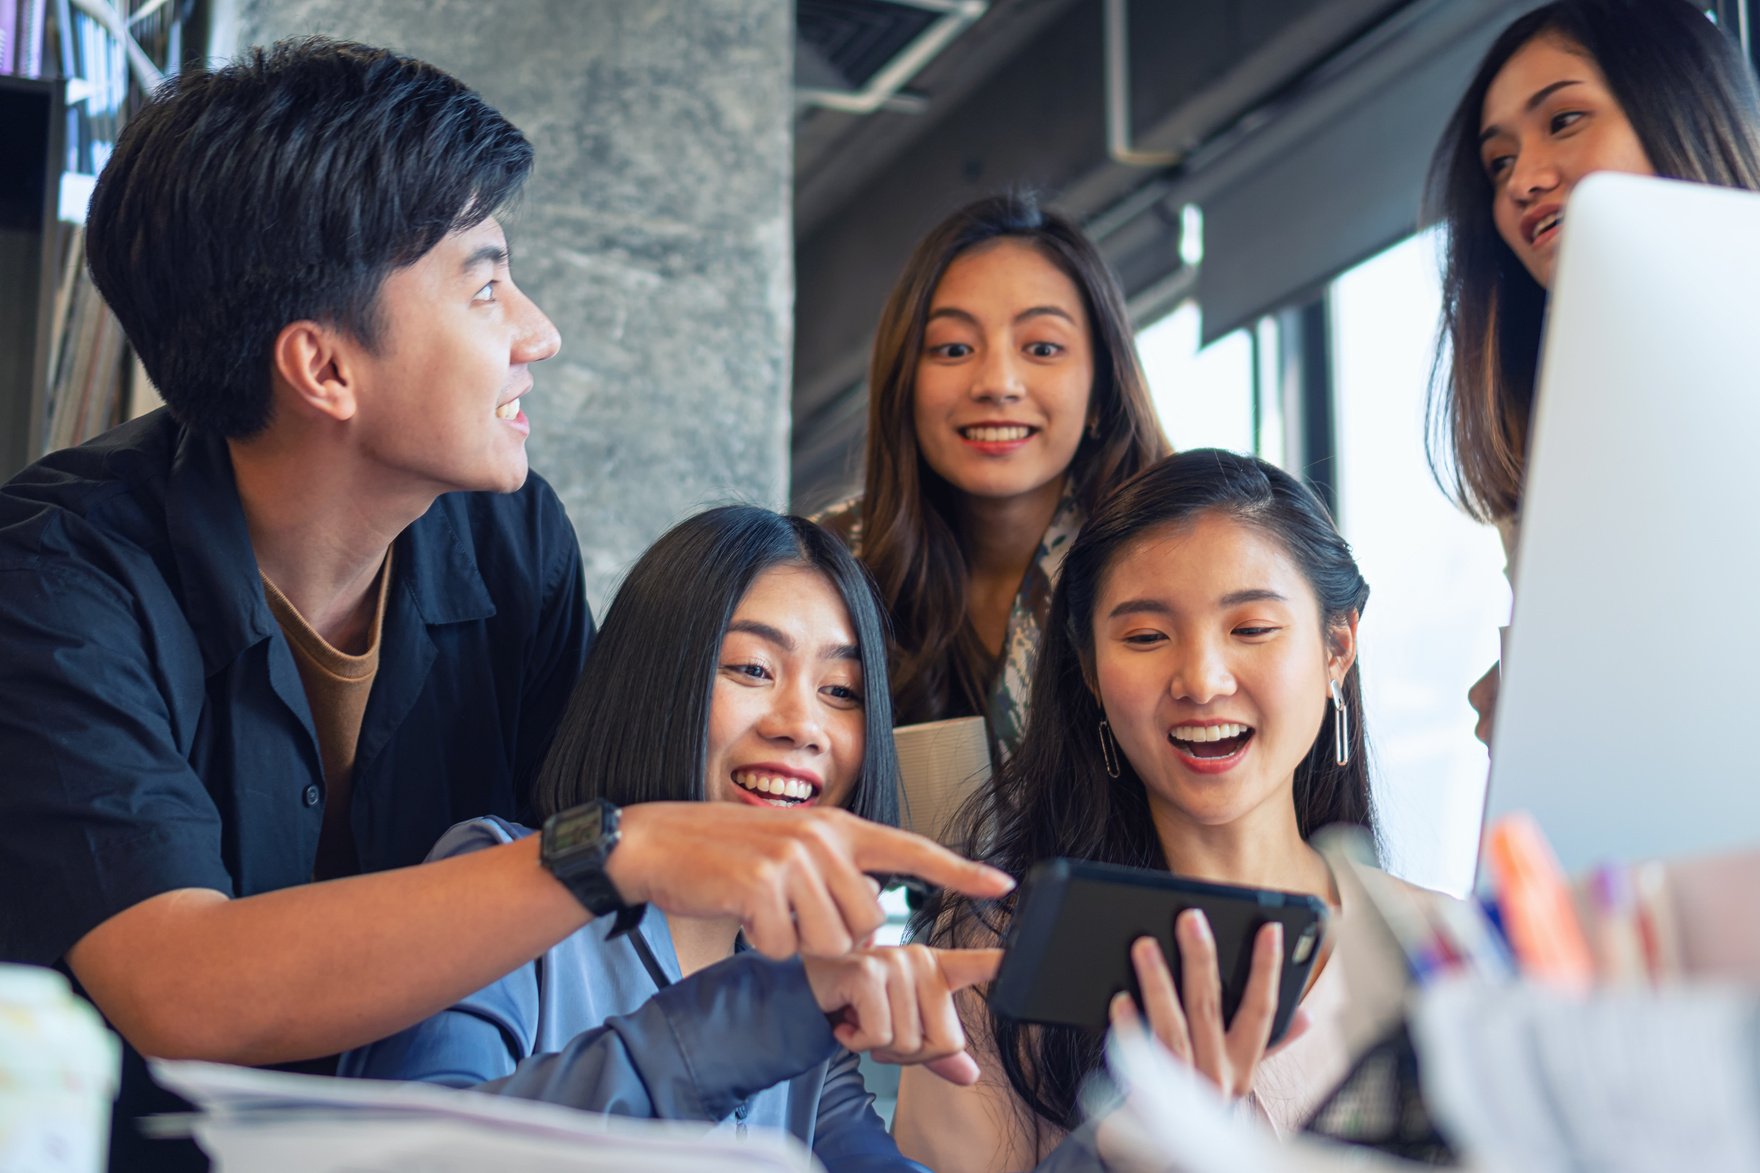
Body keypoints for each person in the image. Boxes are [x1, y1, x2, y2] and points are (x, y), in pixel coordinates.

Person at [0, 39, 1011, 1171]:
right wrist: (615, 852)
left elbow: (564, 913)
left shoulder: (507, 540)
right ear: (323, 369)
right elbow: (183, 990)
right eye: (485, 285)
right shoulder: (53, 586)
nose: (537, 331)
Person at [344, 506, 997, 1169]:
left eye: (840, 689)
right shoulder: (500, 875)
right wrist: (729, 1031)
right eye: (751, 668)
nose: (803, 725)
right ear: (653, 680)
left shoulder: (801, 970)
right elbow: (410, 1153)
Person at [894, 449, 1377, 1172]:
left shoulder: (1437, 948)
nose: (1202, 681)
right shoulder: (993, 957)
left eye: (1251, 628)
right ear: (1088, 670)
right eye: (1147, 636)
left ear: (1336, 645)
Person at [1425, 0, 1760, 744]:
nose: (1522, 181)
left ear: (1679, 108)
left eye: (1565, 120)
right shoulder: (1546, 434)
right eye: (1499, 162)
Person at [819, 193, 1169, 758]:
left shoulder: (1176, 555)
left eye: (1042, 347)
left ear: (1101, 388)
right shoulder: (827, 565)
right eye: (954, 348)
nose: (998, 382)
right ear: (903, 383)